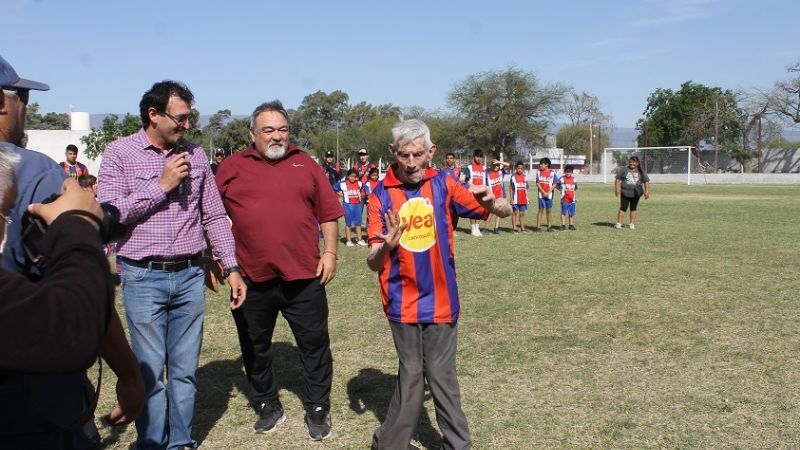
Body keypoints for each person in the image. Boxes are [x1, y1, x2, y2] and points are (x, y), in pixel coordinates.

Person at [0, 54, 144, 449]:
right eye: (23, 99)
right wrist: (129, 373)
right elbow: (83, 290)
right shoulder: (36, 172)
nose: (25, 111)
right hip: (36, 397)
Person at [97, 80, 246, 450]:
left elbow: (214, 216)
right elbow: (109, 216)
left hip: (190, 275)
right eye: (180, 118)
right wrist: (160, 186)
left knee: (184, 372)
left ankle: (181, 442)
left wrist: (231, 267)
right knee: (149, 371)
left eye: (189, 117)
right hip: (142, 276)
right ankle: (151, 442)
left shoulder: (196, 155)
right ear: (153, 114)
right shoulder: (119, 153)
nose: (187, 125)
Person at [366, 119, 511, 450]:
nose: (412, 163)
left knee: (441, 375)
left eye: (418, 154)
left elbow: (503, 210)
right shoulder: (380, 194)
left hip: (442, 299)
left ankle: (457, 445)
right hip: (401, 301)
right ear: (392, 152)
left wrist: (492, 203)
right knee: (412, 374)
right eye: (404, 155)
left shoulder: (445, 183)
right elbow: (373, 261)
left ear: (431, 151)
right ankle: (389, 444)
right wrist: (386, 246)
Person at [215, 100, 342, 441]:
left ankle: (317, 407)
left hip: (304, 276)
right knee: (254, 345)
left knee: (314, 344)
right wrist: (219, 262)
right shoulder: (230, 167)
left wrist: (330, 252)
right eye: (268, 130)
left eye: (282, 129)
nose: (276, 136)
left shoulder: (306, 163)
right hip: (250, 278)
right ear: (252, 134)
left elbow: (328, 212)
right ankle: (267, 403)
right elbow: (211, 216)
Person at [614, 155, 651, 230]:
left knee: (633, 208)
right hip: (625, 193)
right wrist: (617, 189)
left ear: (637, 163)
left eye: (634, 162)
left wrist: (647, 191)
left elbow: (646, 181)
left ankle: (632, 224)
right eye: (630, 162)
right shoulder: (624, 169)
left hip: (635, 194)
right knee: (623, 208)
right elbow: (617, 179)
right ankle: (619, 224)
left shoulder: (641, 171)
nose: (631, 163)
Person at [335, 168, 367, 247]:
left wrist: (364, 194)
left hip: (357, 205)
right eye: (351, 176)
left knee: (358, 223)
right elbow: (332, 187)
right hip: (348, 206)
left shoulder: (360, 183)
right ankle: (348, 241)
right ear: (347, 176)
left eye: (355, 177)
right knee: (348, 223)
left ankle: (359, 239)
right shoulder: (342, 184)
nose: (353, 178)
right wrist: (338, 193)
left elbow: (366, 189)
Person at [462, 149, 486, 236]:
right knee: (473, 210)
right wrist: (473, 187)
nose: (479, 158)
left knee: (479, 210)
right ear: (474, 157)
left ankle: (477, 228)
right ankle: (473, 228)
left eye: (480, 157)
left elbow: (486, 180)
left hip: (481, 193)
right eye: (477, 156)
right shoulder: (469, 167)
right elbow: (466, 180)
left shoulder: (484, 168)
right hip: (472, 192)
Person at [485, 158, 509, 234]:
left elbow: (508, 165)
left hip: (500, 196)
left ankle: (496, 228)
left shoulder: (501, 172)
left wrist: (498, 162)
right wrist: (492, 162)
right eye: (494, 165)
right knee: (491, 212)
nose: (496, 167)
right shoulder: (488, 173)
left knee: (498, 212)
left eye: (498, 165)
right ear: (491, 165)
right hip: (492, 196)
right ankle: (486, 228)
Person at [534, 157, 559, 232]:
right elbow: (537, 183)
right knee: (540, 210)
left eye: (542, 164)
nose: (540, 165)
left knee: (549, 210)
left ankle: (549, 227)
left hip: (549, 195)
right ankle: (538, 227)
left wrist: (548, 192)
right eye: (540, 164)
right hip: (541, 195)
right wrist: (543, 192)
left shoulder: (552, 173)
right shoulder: (538, 172)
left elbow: (555, 184)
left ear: (547, 164)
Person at [555, 164, 578, 231]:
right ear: (564, 172)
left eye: (569, 172)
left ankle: (571, 225)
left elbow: (575, 189)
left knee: (571, 213)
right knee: (563, 212)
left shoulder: (574, 179)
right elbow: (556, 185)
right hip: (564, 199)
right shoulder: (562, 179)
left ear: (572, 172)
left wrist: (575, 197)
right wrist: (560, 189)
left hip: (572, 200)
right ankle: (563, 225)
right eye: (567, 172)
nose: (568, 173)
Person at [509, 161, 529, 232]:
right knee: (515, 213)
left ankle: (522, 229)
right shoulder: (513, 177)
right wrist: (511, 198)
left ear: (523, 169)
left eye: (521, 168)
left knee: (522, 214)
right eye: (518, 168)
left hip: (523, 199)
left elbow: (526, 187)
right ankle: (514, 228)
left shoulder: (525, 177)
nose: (520, 170)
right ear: (516, 168)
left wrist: (527, 197)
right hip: (515, 199)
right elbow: (511, 188)